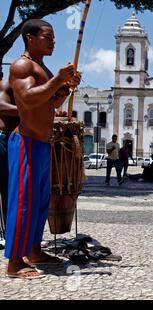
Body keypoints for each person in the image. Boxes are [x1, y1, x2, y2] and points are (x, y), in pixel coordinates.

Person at [6, 19, 81, 278]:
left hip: (41, 143)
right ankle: (15, 262)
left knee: (39, 202)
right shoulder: (21, 65)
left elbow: (48, 102)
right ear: (30, 38)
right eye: (47, 37)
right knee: (23, 202)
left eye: (53, 37)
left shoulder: (43, 68)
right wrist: (57, 80)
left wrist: (66, 88)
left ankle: (34, 250)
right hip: (25, 142)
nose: (53, 41)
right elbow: (27, 99)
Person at [0, 80, 19, 249]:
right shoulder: (5, 86)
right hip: (3, 137)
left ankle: (8, 232)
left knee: (9, 188)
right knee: (6, 188)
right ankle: (5, 233)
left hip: (9, 137)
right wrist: (28, 111)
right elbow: (1, 106)